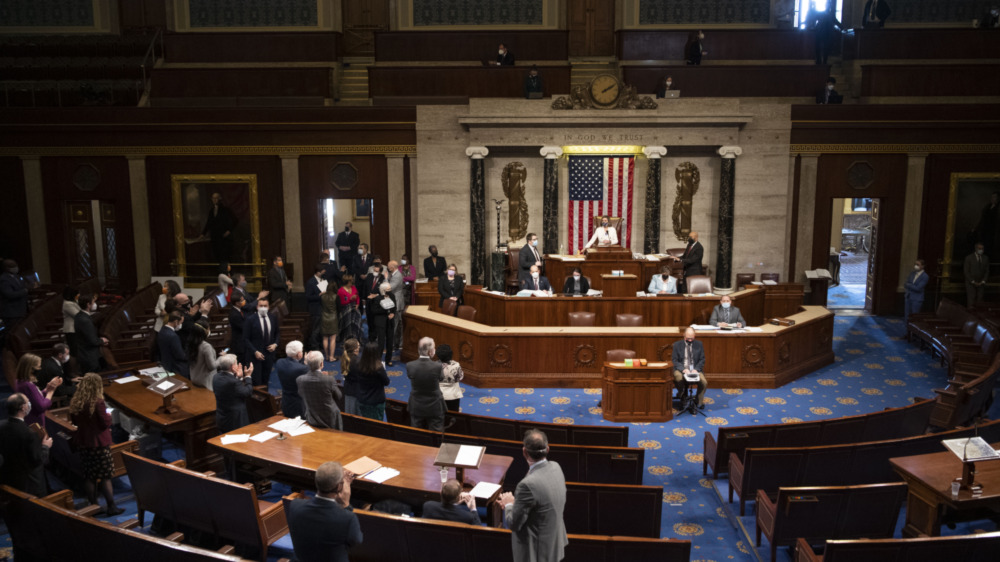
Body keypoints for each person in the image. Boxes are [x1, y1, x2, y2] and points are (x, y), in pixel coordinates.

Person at [498, 429, 568, 562]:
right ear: (548, 449)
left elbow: (514, 523)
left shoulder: (526, 485)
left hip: (536, 553)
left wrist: (508, 504)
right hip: (554, 543)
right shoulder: (556, 467)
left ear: (524, 452)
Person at [69, 373, 124, 515]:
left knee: (90, 476)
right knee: (105, 476)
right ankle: (111, 506)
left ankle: (93, 506)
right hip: (98, 444)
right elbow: (105, 423)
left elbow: (75, 422)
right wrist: (109, 416)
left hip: (84, 443)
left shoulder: (77, 401)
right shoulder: (97, 402)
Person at [286, 461, 362, 562]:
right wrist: (346, 504)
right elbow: (357, 541)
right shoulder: (347, 518)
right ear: (339, 487)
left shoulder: (295, 505)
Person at [0, 393, 52, 497]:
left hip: (9, 478)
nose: (29, 404)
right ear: (23, 407)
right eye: (28, 401)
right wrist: (46, 446)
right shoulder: (29, 433)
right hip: (30, 484)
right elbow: (38, 460)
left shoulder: (1, 425)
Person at [406, 337, 446, 431]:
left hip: (416, 405)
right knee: (436, 435)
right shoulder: (438, 366)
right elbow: (441, 378)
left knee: (416, 435)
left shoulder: (410, 365)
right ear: (431, 351)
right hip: (435, 406)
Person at [298, 351, 343, 430]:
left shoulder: (300, 380)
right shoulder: (329, 379)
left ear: (307, 364)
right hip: (330, 419)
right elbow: (339, 396)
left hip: (312, 418)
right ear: (321, 364)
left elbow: (302, 394)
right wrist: (329, 380)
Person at [14, 353, 60, 427]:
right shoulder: (28, 385)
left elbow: (34, 398)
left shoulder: (20, 381)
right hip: (34, 423)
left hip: (29, 420)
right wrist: (51, 392)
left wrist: (47, 389)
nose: (40, 369)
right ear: (31, 369)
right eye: (38, 367)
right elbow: (41, 406)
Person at [212, 354, 253, 434]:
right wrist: (248, 377)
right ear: (233, 367)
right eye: (236, 363)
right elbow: (247, 392)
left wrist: (239, 378)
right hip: (235, 420)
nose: (238, 365)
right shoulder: (233, 382)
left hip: (222, 416)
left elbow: (234, 390)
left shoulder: (216, 377)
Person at [244, 297, 279, 387]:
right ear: (257, 307)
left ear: (269, 307)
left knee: (266, 380)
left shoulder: (273, 318)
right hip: (255, 355)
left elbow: (277, 333)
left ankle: (265, 400)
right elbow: (245, 339)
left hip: (269, 354)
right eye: (261, 306)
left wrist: (275, 344)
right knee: (256, 381)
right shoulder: (250, 319)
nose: (263, 307)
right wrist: (255, 351)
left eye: (265, 306)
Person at [671, 327, 708, 409]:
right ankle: (682, 394)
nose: (690, 340)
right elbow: (674, 360)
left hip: (695, 370)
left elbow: (702, 359)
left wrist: (696, 369)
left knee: (704, 382)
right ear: (684, 336)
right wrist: (683, 369)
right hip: (681, 369)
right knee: (678, 377)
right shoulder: (677, 345)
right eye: (688, 338)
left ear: (694, 336)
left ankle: (698, 400)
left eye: (692, 338)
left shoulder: (699, 344)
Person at [354, 341, 390, 422]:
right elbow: (387, 382)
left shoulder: (358, 365)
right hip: (376, 402)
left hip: (363, 400)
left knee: (365, 424)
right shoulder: (379, 369)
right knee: (377, 426)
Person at [201, 192, 237, 267]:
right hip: (214, 237)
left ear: (220, 199)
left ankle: (226, 273)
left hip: (224, 238)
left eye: (216, 198)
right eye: (213, 198)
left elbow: (235, 220)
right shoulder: (211, 210)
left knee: (224, 257)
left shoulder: (226, 209)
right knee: (216, 256)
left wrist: (229, 231)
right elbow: (208, 223)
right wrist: (203, 234)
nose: (215, 200)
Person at [74, 292, 107, 374]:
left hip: (83, 354)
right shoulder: (85, 320)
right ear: (88, 305)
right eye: (93, 302)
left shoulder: (79, 316)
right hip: (89, 356)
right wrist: (102, 341)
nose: (94, 304)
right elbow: (92, 341)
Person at [276, 340, 309, 420]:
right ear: (299, 354)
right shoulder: (303, 369)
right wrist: (307, 363)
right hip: (299, 405)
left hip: (286, 402)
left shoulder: (279, 362)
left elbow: (294, 367)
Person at [188, 319, 224, 389]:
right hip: (206, 383)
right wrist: (221, 358)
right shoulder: (206, 346)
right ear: (205, 331)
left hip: (194, 379)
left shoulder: (191, 343)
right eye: (209, 328)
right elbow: (212, 366)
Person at [371, 281, 397, 365]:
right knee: (381, 342)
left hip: (390, 321)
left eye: (390, 289)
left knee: (390, 342)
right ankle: (378, 360)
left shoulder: (392, 296)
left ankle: (388, 359)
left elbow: (394, 307)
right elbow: (374, 311)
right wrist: (385, 308)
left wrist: (393, 313)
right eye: (388, 289)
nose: (390, 290)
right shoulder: (377, 298)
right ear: (383, 290)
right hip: (381, 322)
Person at [810, 1, 842, 65]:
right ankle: (819, 61)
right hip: (821, 33)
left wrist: (842, 27)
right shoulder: (823, 14)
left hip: (826, 34)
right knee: (819, 48)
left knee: (825, 49)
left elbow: (837, 22)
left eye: (829, 5)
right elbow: (813, 18)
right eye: (827, 5)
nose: (828, 6)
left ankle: (823, 62)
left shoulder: (830, 15)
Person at [158, 311, 189, 377]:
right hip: (175, 368)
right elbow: (180, 355)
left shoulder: (162, 330)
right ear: (175, 322)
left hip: (165, 364)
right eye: (180, 322)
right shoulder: (173, 336)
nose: (181, 325)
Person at [0, 259, 28, 329]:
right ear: (7, 268)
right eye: (13, 266)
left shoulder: (16, 276)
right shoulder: (3, 279)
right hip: (12, 313)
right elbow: (10, 295)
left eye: (16, 265)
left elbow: (22, 286)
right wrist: (24, 291)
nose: (16, 267)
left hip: (21, 310)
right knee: (14, 332)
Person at [436, 344, 464, 412]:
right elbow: (460, 377)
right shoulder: (456, 365)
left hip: (437, 395)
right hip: (453, 395)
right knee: (453, 415)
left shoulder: (433, 365)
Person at [363, 262, 386, 343]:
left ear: (380, 272)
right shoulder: (369, 276)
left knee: (376, 321)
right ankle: (371, 338)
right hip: (369, 302)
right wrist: (364, 298)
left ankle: (377, 337)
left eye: (376, 271)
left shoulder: (383, 279)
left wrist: (376, 295)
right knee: (369, 321)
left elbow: (384, 292)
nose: (374, 272)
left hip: (377, 304)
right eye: (374, 270)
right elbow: (365, 288)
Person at [305, 263, 325, 352]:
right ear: (318, 272)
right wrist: (319, 295)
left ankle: (319, 345)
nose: (323, 274)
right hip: (315, 309)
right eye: (322, 272)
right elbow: (308, 297)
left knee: (320, 328)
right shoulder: (311, 282)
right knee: (315, 329)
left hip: (321, 308)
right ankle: (314, 346)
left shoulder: (321, 280)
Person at [338, 274, 364, 344]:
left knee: (356, 324)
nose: (351, 283)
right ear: (346, 282)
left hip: (354, 308)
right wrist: (350, 299)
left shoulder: (353, 287)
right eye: (350, 281)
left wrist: (358, 304)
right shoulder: (340, 290)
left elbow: (357, 296)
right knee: (348, 325)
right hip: (346, 309)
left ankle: (357, 340)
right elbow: (342, 302)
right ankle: (347, 341)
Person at [386, 260, 405, 351]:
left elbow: (389, 288)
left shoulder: (397, 276)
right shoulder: (394, 275)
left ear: (392, 268)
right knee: (396, 325)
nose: (387, 268)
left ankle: (393, 345)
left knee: (395, 325)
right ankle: (397, 344)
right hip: (395, 302)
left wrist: (385, 278)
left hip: (397, 303)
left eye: (388, 266)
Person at [340, 338, 362, 416]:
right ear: (355, 349)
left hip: (348, 389)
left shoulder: (345, 358)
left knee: (349, 412)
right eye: (358, 346)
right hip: (356, 391)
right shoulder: (357, 361)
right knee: (357, 415)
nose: (359, 347)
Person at [321, 278, 340, 362]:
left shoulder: (322, 296)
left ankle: (327, 356)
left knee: (325, 338)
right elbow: (339, 308)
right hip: (333, 318)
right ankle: (332, 357)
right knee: (332, 338)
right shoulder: (336, 297)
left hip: (324, 317)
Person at [61, 285, 81, 356]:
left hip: (76, 329)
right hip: (71, 330)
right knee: (74, 352)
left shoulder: (73, 302)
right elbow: (78, 315)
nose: (79, 295)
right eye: (77, 294)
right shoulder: (67, 304)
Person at [229, 292, 248, 364]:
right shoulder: (234, 314)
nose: (244, 301)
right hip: (239, 344)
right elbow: (243, 327)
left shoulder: (239, 310)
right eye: (242, 300)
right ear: (237, 303)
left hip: (242, 342)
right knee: (241, 363)